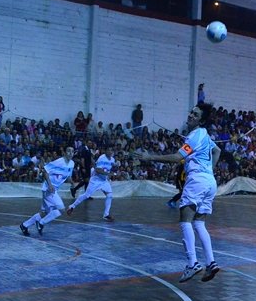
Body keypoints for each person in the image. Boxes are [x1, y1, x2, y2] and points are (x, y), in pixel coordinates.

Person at [136, 103, 221, 283]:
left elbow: (177, 157)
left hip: (197, 180)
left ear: (201, 120)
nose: (190, 115)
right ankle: (211, 262)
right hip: (210, 182)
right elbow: (217, 150)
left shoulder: (194, 137)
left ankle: (192, 263)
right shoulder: (205, 134)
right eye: (191, 112)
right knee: (199, 223)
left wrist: (150, 157)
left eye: (195, 114)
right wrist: (210, 170)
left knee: (185, 221)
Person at [20, 146, 75, 236]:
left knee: (44, 212)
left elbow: (68, 176)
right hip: (48, 189)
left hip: (54, 189)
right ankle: (41, 223)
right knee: (61, 209)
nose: (70, 153)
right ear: (64, 153)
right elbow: (45, 170)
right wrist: (50, 184)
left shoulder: (72, 164)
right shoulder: (59, 162)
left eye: (72, 151)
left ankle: (24, 225)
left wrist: (72, 183)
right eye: (68, 151)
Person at [67, 146, 116, 221]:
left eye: (111, 150)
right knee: (87, 195)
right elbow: (98, 170)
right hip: (96, 180)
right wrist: (108, 174)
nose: (110, 152)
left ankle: (106, 215)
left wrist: (114, 168)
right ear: (105, 151)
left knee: (109, 195)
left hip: (104, 180)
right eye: (108, 150)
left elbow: (111, 166)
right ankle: (71, 206)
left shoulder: (112, 159)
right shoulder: (102, 158)